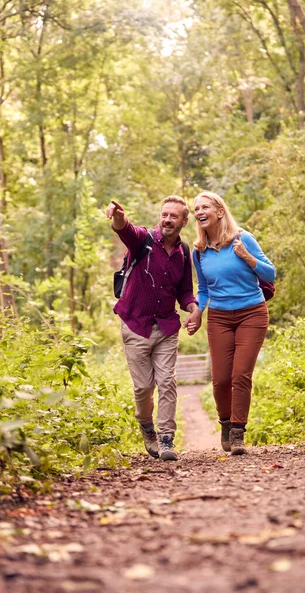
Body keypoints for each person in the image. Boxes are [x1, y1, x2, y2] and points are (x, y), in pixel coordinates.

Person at [105, 196, 201, 461]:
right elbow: (126, 229)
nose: (167, 219)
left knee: (167, 381)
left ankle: (167, 438)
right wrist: (118, 216)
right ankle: (147, 428)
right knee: (144, 388)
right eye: (164, 214)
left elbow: (184, 292)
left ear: (184, 220)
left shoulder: (183, 253)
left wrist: (193, 309)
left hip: (166, 327)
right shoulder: (143, 241)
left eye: (174, 216)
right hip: (136, 324)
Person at [190, 191, 275, 455]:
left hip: (252, 313)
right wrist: (198, 311)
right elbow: (203, 288)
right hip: (219, 317)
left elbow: (270, 272)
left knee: (240, 375)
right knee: (220, 379)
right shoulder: (199, 251)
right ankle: (225, 423)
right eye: (196, 209)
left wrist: (248, 257)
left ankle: (238, 433)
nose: (199, 212)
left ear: (219, 211)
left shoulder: (243, 238)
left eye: (205, 207)